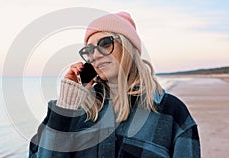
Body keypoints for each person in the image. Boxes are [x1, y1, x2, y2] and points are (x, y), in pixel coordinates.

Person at [29, 11, 201, 158]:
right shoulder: (76, 112)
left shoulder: (172, 112)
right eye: (89, 50)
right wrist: (67, 104)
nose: (95, 55)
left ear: (128, 47)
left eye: (105, 43)